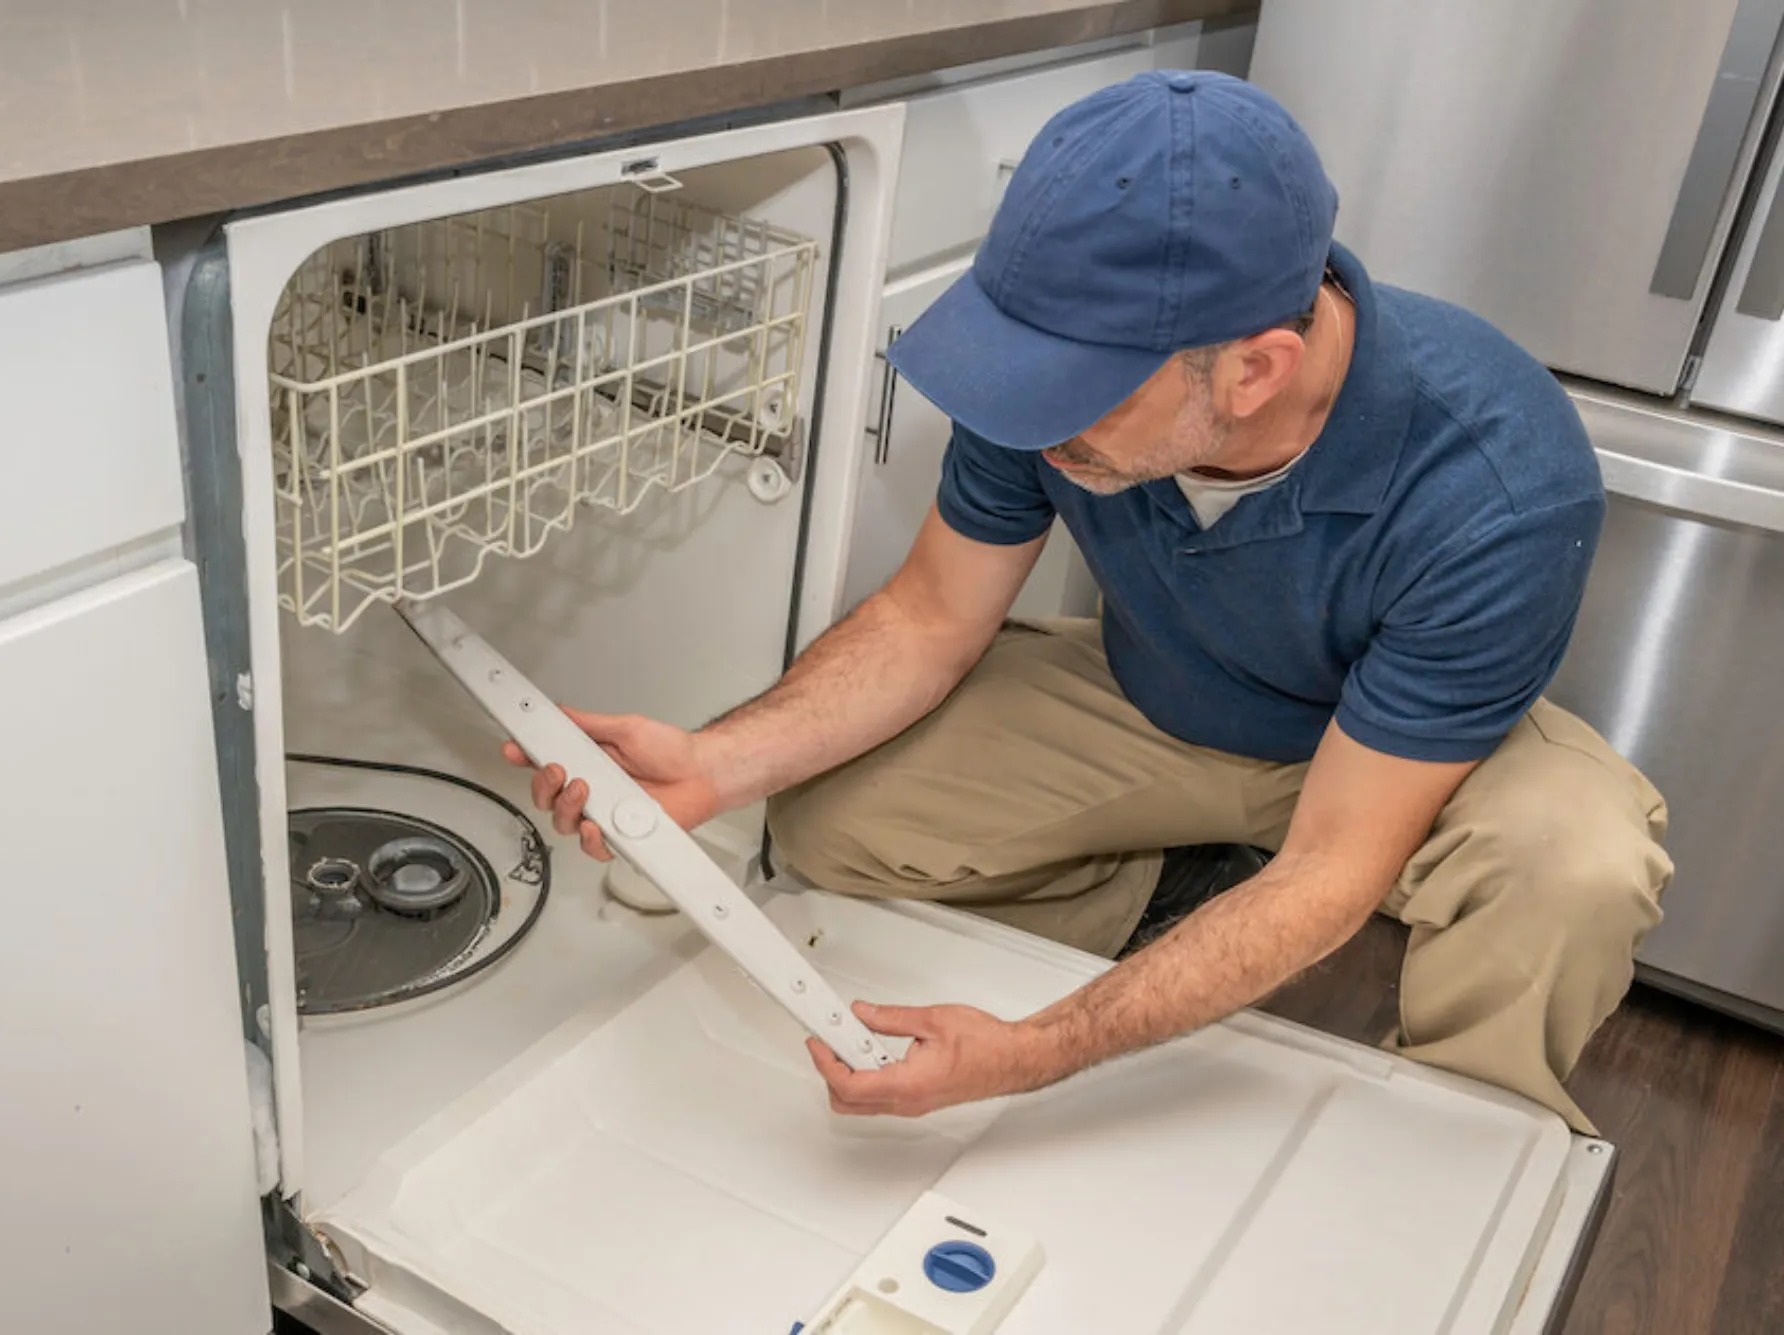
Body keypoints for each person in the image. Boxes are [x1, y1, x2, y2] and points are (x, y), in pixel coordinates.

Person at [507, 70, 1671, 1134]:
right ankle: (1172, 891)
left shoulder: (1498, 482)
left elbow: (1329, 863)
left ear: (1255, 368)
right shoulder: (1058, 386)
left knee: (1572, 867)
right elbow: (925, 618)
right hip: (1159, 695)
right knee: (828, 822)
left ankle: (1446, 1136)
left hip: (1400, 770)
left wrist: (1034, 1054)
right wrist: (713, 766)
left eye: (1073, 399)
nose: (1034, 424)